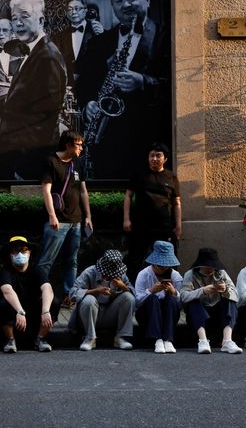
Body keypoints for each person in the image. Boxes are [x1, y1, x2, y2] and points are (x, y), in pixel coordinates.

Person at [77, 0, 169, 180]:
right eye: (118, 0)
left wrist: (144, 82)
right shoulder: (98, 44)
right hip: (107, 144)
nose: (125, 4)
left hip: (147, 140)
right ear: (112, 6)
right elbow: (83, 85)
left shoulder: (167, 37)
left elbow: (178, 87)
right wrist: (88, 104)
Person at [0, 0, 67, 180]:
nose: (17, 23)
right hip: (14, 157)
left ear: (41, 20)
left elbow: (45, 120)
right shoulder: (34, 52)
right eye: (14, 18)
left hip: (27, 164)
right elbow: (27, 97)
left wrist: (23, 167)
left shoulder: (47, 56)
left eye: (24, 17)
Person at [37, 130, 93, 305]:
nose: (81, 148)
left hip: (76, 220)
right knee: (46, 261)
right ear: (68, 145)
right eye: (78, 145)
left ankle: (69, 295)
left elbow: (83, 191)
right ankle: (40, 294)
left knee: (72, 260)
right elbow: (46, 190)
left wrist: (88, 216)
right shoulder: (51, 161)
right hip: (57, 221)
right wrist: (52, 216)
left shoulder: (78, 163)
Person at [123, 142, 181, 278]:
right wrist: (126, 219)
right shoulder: (139, 174)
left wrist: (178, 226)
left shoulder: (171, 177)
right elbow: (128, 196)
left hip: (164, 226)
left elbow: (177, 202)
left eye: (158, 156)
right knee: (135, 259)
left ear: (165, 159)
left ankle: (167, 290)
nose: (154, 159)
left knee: (166, 260)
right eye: (152, 156)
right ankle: (133, 291)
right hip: (140, 225)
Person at [0, 236, 56, 353]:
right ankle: (10, 339)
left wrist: (45, 311)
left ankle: (40, 338)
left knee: (54, 301)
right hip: (14, 314)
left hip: (34, 313)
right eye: (16, 251)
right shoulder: (5, 271)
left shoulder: (37, 270)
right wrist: (19, 311)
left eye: (24, 250)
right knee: (2, 304)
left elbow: (47, 288)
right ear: (10, 254)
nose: (20, 254)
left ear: (29, 253)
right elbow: (7, 290)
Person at [68, 249, 136, 351]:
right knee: (89, 300)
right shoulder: (89, 272)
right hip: (89, 315)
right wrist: (96, 291)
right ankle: (90, 338)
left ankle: (121, 337)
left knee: (128, 297)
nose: (109, 277)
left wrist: (123, 287)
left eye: (112, 274)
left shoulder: (121, 275)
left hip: (110, 314)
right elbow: (72, 293)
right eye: (106, 274)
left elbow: (135, 296)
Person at [180, 247, 243, 354]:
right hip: (199, 315)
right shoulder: (190, 275)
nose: (211, 269)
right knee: (193, 301)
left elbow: (236, 295)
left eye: (213, 266)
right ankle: (203, 340)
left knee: (230, 300)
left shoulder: (221, 273)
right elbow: (183, 296)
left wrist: (225, 290)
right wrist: (202, 291)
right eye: (207, 266)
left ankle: (227, 341)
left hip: (218, 313)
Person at [134, 240, 183, 354]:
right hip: (147, 314)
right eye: (160, 265)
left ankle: (167, 339)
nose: (163, 268)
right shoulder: (143, 274)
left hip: (168, 315)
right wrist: (151, 291)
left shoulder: (175, 276)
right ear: (153, 263)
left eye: (166, 266)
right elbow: (136, 302)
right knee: (152, 299)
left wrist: (174, 292)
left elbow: (181, 304)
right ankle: (157, 339)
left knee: (171, 299)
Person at [51, 0, 103, 85]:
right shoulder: (58, 37)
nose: (73, 12)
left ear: (85, 10)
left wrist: (102, 36)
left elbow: (106, 58)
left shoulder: (98, 32)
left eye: (77, 8)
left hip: (93, 85)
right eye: (70, 9)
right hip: (68, 87)